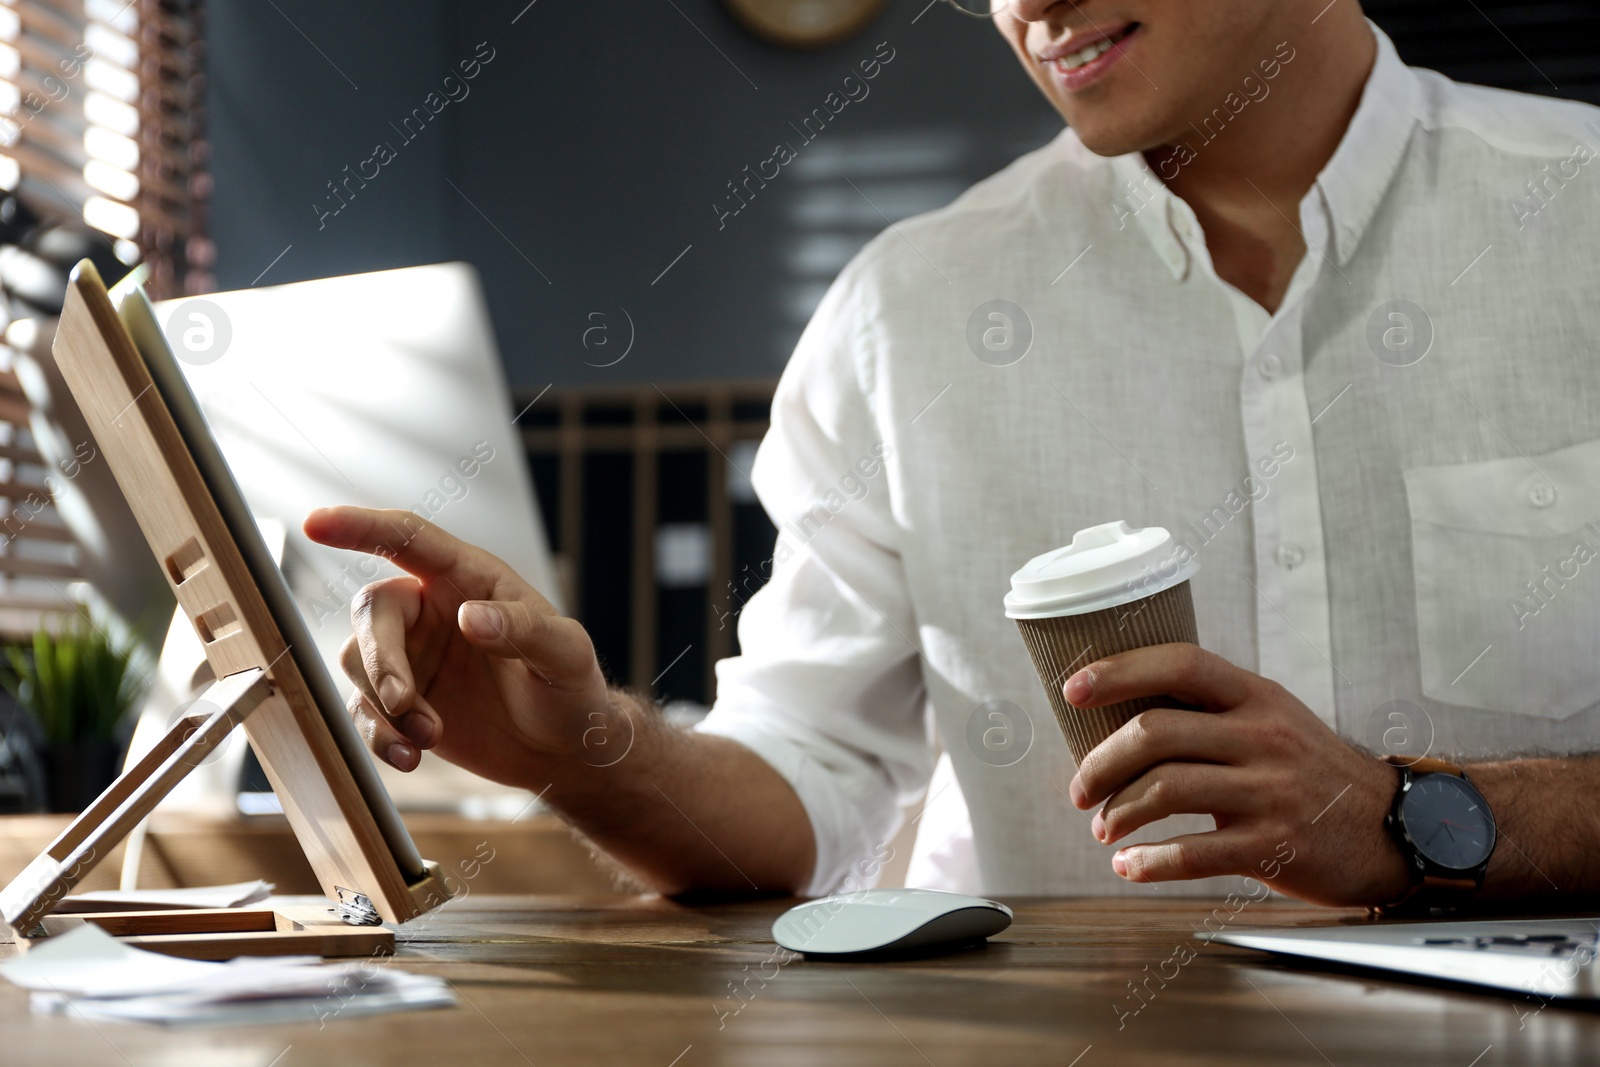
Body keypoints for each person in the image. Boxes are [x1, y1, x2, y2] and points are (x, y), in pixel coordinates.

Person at [305, 0, 1600, 909]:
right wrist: (580, 748)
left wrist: (1402, 821)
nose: (1026, 3)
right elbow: (811, 785)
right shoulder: (904, 312)